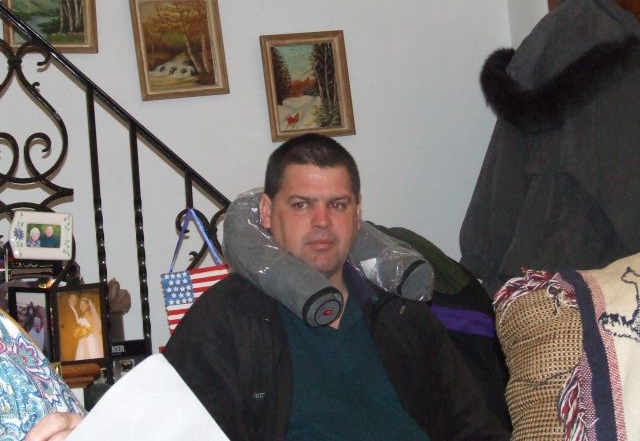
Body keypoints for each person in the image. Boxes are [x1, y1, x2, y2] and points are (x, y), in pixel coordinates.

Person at [29, 133, 509, 440]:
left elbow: (474, 426)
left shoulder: (401, 314)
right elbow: (169, 424)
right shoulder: (228, 319)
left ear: (358, 214)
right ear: (265, 213)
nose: (321, 222)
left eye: (337, 205)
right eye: (301, 205)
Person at [68, 295, 103, 360]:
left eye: (83, 304)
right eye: (80, 304)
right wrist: (79, 334)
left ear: (87, 306)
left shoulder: (90, 315)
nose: (81, 306)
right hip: (82, 341)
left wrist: (83, 334)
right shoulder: (83, 316)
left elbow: (94, 329)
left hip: (89, 341)